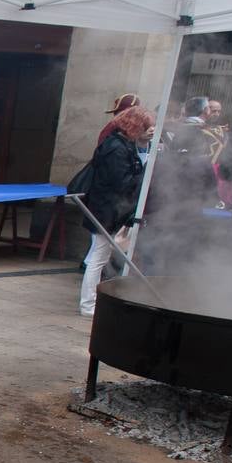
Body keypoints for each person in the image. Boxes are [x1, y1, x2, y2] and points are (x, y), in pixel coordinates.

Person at [79, 106, 155, 317]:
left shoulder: (119, 144)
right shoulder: (116, 148)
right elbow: (121, 182)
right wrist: (145, 170)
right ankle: (88, 305)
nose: (147, 130)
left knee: (99, 256)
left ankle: (92, 302)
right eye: (144, 126)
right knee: (98, 258)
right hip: (106, 210)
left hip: (107, 209)